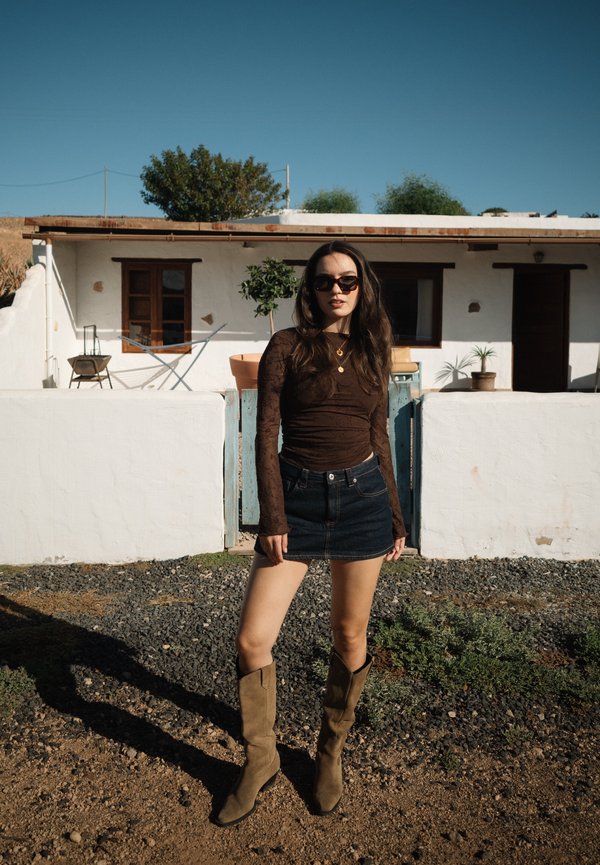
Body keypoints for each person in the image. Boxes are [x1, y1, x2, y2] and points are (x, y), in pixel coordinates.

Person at [216, 240, 406, 827]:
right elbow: (263, 434)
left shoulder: (376, 349)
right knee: (253, 639)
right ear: (310, 290)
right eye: (325, 282)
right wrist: (271, 517)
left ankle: (329, 755)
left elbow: (381, 438)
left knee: (350, 638)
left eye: (348, 281)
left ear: (363, 285)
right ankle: (262, 759)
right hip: (295, 504)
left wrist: (396, 516)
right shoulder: (287, 346)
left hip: (363, 502)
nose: (337, 291)